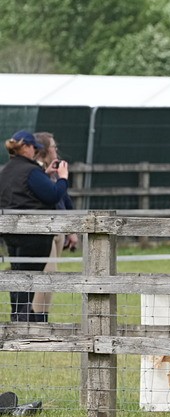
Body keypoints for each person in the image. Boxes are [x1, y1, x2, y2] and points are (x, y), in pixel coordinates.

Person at [0, 130, 68, 321]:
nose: (35, 152)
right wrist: (62, 178)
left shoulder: (8, 169)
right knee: (31, 275)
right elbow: (53, 195)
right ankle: (26, 318)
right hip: (33, 233)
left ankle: (18, 315)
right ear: (27, 147)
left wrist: (44, 175)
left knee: (18, 272)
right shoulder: (30, 171)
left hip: (11, 233)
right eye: (34, 148)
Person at [31, 132, 77, 321]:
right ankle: (37, 319)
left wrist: (72, 230)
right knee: (47, 274)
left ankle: (42, 316)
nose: (56, 150)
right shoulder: (35, 174)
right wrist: (63, 179)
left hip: (58, 228)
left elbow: (63, 199)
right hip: (45, 229)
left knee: (52, 275)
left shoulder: (48, 173)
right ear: (44, 150)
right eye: (53, 147)